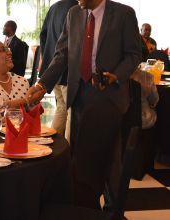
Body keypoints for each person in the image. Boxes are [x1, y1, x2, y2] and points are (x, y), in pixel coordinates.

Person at [27, 0, 141, 210]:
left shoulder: (124, 14)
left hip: (109, 94)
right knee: (85, 157)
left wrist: (116, 75)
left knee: (103, 158)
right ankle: (94, 208)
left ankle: (105, 208)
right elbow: (62, 54)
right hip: (79, 94)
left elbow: (134, 54)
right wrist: (43, 84)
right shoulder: (73, 14)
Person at [39, 0, 77, 140]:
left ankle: (52, 142)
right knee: (72, 110)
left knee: (62, 106)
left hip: (52, 69)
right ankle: (67, 150)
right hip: (68, 68)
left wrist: (48, 57)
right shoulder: (77, 8)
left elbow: (43, 35)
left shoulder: (54, 7)